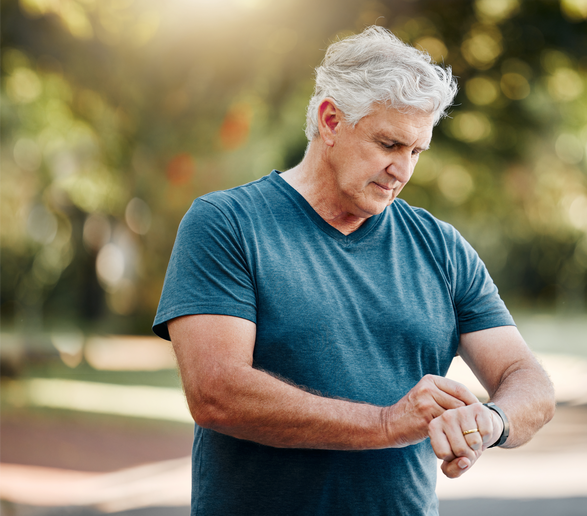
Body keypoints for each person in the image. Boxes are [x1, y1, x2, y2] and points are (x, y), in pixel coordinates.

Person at [153, 26, 555, 516]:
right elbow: (216, 393)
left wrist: (488, 422)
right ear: (330, 120)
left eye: (416, 151)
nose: (402, 171)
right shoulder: (227, 224)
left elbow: (527, 380)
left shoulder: (442, 248)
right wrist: (386, 424)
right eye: (388, 144)